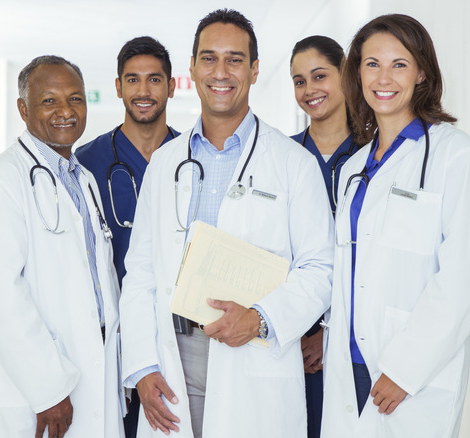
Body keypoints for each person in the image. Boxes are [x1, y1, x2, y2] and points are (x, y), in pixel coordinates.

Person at [120, 9, 334, 438]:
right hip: (174, 356)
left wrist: (259, 319)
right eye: (209, 58)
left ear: (254, 70)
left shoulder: (294, 164)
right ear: (192, 71)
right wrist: (143, 365)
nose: (221, 72)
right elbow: (140, 270)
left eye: (235, 59)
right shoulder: (165, 163)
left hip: (254, 352)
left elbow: (321, 269)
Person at [320, 14, 470, 438]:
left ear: (421, 73)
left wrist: (405, 369)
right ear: (357, 72)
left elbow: (463, 279)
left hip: (412, 376)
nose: (384, 77)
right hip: (349, 366)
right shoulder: (355, 167)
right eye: (372, 63)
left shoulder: (455, 155)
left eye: (399, 64)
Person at [0, 55, 124, 438]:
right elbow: (0, 297)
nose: (65, 112)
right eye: (49, 101)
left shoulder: (83, 178)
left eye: (75, 99)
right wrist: (48, 389)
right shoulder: (1, 181)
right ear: (23, 109)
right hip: (40, 390)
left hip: (94, 369)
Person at [75, 36, 178, 438]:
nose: (144, 91)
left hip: (174, 331)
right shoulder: (86, 162)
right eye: (133, 80)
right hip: (107, 331)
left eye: (154, 80)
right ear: (118, 87)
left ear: (171, 86)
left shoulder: (191, 157)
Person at [289, 35, 358, 438]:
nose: (309, 89)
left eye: (319, 76)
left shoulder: (373, 155)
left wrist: (327, 333)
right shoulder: (282, 157)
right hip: (290, 334)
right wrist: (298, 327)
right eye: (299, 81)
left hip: (351, 333)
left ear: (345, 72)